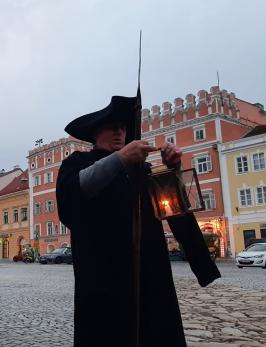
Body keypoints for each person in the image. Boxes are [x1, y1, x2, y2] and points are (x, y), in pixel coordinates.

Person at [56, 95, 221, 346]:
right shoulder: (77, 162)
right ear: (95, 133)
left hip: (150, 274)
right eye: (112, 128)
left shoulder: (142, 171)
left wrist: (171, 169)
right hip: (104, 278)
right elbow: (75, 192)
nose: (119, 133)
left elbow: (174, 209)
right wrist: (120, 158)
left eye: (123, 128)